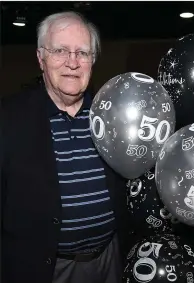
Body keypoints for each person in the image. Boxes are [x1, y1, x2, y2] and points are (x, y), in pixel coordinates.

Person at [1, 11, 133, 283]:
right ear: (41, 58)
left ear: (92, 61)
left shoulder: (114, 118)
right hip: (43, 268)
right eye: (60, 50)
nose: (72, 62)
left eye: (82, 53)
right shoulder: (8, 120)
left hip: (110, 260)